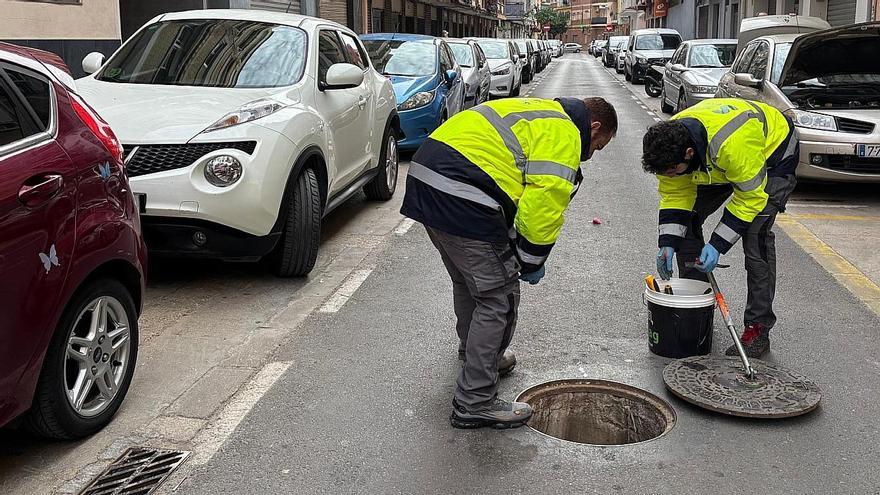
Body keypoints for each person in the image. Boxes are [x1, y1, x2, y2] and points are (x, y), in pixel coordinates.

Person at [401, 97, 618, 429]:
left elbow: (507, 178)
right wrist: (530, 262)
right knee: (498, 296)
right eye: (599, 146)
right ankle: (474, 401)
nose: (593, 153)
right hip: (462, 194)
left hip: (427, 181)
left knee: (469, 281)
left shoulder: (536, 112)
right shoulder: (565, 133)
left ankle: (477, 357)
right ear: (594, 127)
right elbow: (541, 207)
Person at [642, 98, 799, 358]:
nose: (669, 175)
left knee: (755, 236)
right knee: (686, 223)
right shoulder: (668, 149)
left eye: (673, 170)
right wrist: (668, 242)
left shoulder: (733, 144)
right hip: (718, 164)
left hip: (773, 155)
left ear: (688, 154)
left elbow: (750, 198)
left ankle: (758, 328)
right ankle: (696, 308)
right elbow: (675, 196)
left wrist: (717, 245)